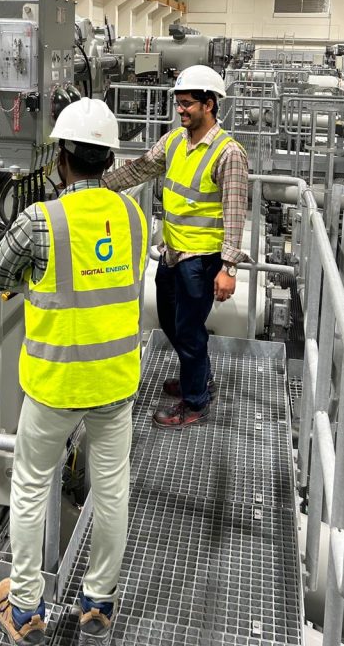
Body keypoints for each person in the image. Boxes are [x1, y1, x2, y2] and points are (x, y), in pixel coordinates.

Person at [0, 97, 147, 646]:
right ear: (110, 159)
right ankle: (98, 604)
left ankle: (26, 609)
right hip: (115, 381)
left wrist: (33, 279)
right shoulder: (133, 216)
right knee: (112, 491)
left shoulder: (40, 220)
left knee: (31, 488)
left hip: (55, 384)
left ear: (59, 158)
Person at [104, 64, 248, 429]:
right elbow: (140, 169)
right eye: (178, 104)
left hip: (201, 261)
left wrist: (229, 268)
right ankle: (198, 377)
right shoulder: (173, 142)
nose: (180, 110)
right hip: (171, 254)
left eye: (187, 104)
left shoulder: (228, 153)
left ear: (209, 104)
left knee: (188, 330)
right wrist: (98, 185)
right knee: (172, 322)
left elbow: (234, 213)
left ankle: (195, 401)